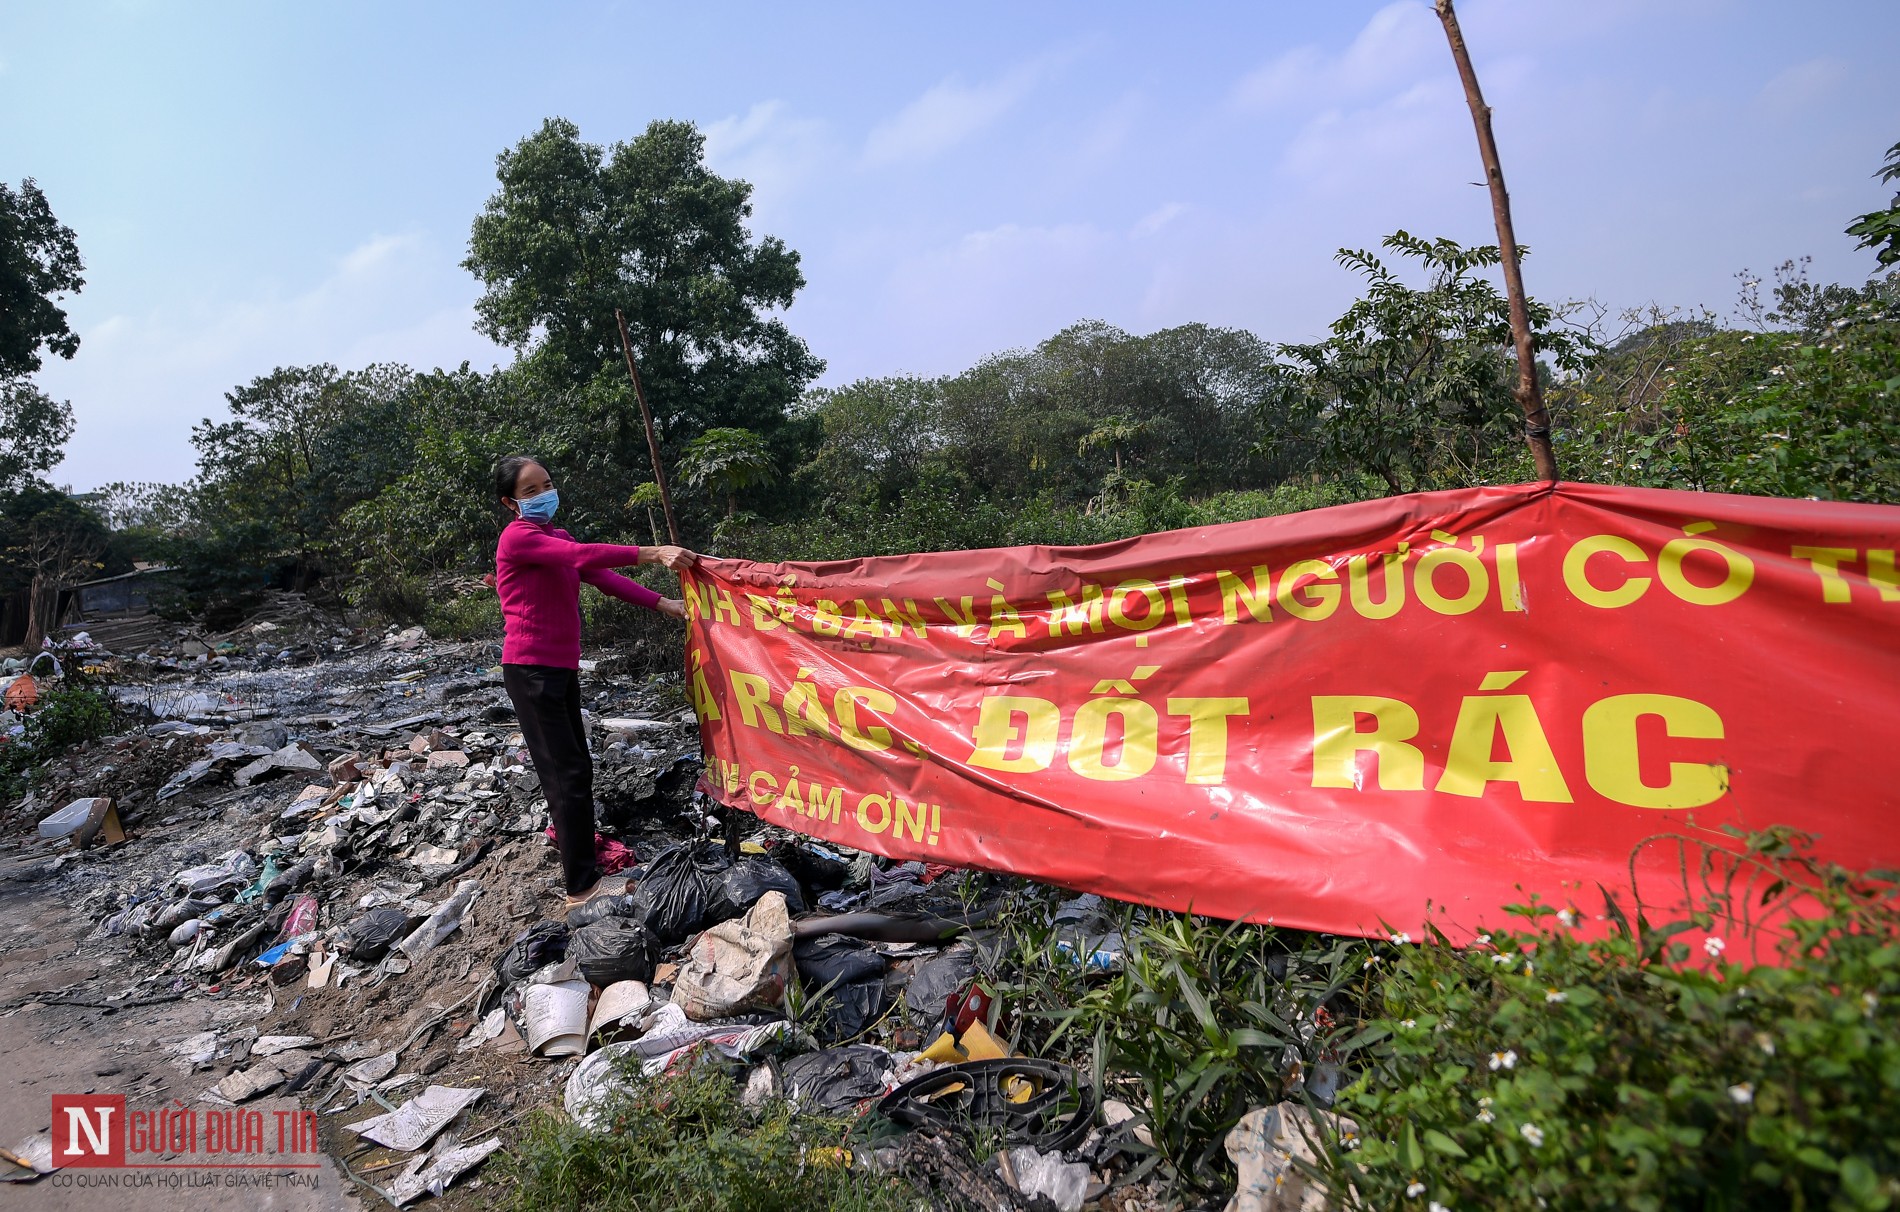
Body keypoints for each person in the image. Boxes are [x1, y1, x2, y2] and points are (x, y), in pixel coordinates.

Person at [491, 454, 696, 908]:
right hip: (530, 670)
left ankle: (583, 867)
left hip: (560, 668)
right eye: (530, 491)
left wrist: (669, 606)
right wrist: (652, 552)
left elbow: (602, 578)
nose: (544, 494)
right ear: (510, 502)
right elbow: (581, 555)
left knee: (577, 769)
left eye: (546, 484)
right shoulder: (519, 538)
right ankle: (580, 888)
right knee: (564, 775)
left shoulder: (555, 536)